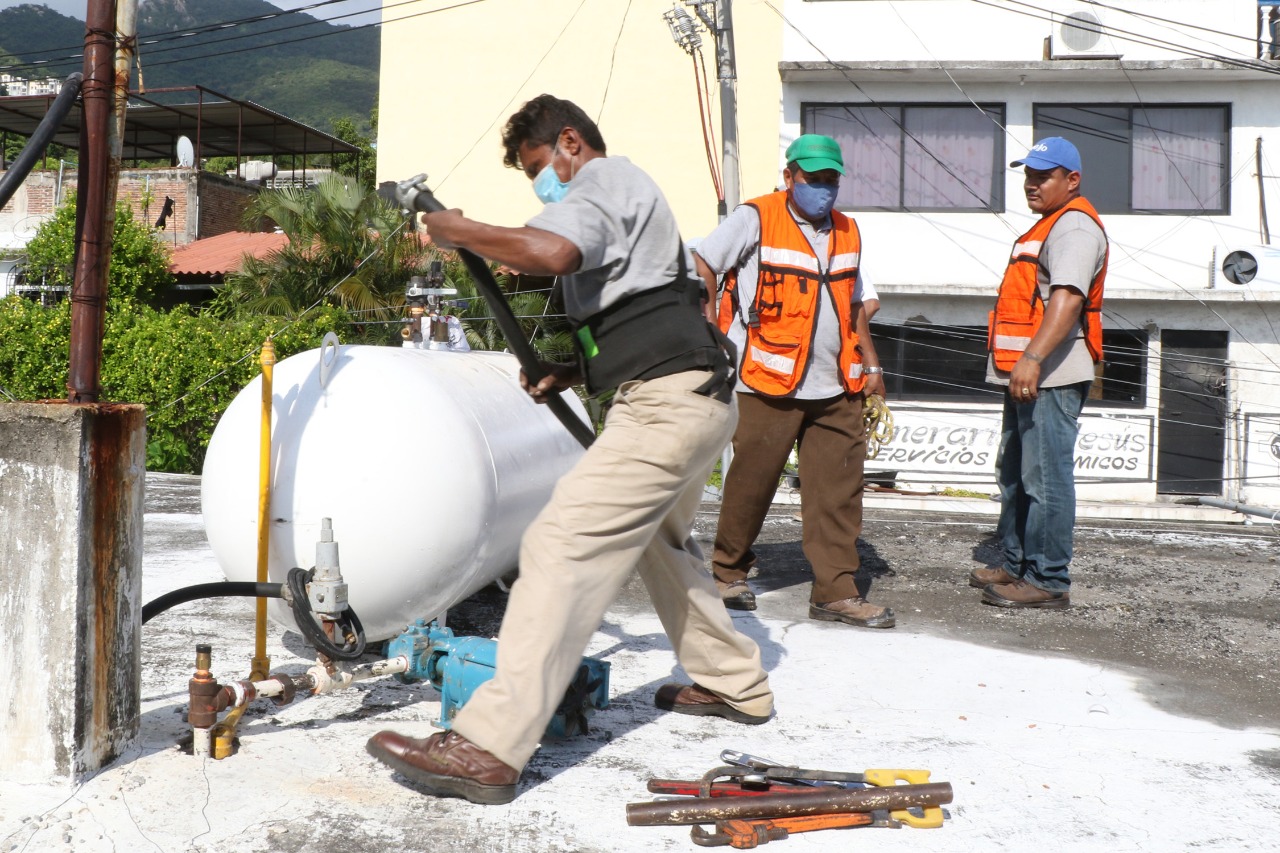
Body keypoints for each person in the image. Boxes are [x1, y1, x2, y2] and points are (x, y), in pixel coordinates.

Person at [366, 94, 774, 805]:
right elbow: (655, 313)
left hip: (665, 406)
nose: (540, 188)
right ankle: (734, 680)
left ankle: (489, 743)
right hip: (695, 395)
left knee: (560, 543)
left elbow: (553, 249)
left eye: (537, 170)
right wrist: (573, 371)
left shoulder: (602, 180)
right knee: (659, 543)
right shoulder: (635, 202)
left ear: (569, 142)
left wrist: (460, 228)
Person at [694, 133, 893, 629]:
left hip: (837, 384)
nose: (823, 189)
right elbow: (702, 261)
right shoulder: (756, 217)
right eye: (813, 179)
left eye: (831, 180)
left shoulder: (848, 231)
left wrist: (872, 365)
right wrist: (710, 326)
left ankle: (836, 591)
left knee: (839, 493)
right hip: (767, 380)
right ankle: (726, 572)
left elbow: (855, 304)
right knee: (750, 484)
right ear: (790, 177)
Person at [970, 136, 1107, 609]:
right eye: (1028, 174)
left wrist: (1031, 357)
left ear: (1071, 180)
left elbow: (1067, 300)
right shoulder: (1047, 225)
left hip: (1051, 373)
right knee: (1014, 474)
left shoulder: (1073, 227)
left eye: (1042, 175)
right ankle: (1015, 564)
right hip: (1026, 374)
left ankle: (1048, 580)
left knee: (1045, 479)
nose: (1031, 183)